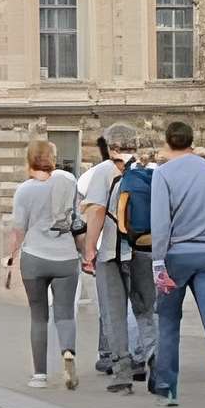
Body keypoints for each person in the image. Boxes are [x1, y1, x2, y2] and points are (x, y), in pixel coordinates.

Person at [148, 119, 205, 408]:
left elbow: (160, 223)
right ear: (191, 141)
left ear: (167, 142)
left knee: (169, 322)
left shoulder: (163, 174)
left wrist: (158, 264)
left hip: (176, 255)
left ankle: (167, 388)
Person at [4, 138, 84, 389]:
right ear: (53, 158)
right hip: (66, 257)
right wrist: (85, 253)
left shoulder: (24, 190)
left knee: (39, 317)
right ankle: (68, 352)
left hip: (35, 258)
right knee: (65, 314)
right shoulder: (68, 183)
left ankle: (39, 375)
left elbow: (19, 230)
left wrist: (10, 257)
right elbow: (77, 224)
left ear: (29, 159)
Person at [78, 131, 146, 387]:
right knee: (144, 308)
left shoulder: (100, 172)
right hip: (143, 248)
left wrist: (89, 249)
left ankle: (118, 366)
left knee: (112, 310)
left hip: (111, 250)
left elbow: (95, 211)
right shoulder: (148, 167)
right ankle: (150, 358)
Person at [101, 137, 162, 396]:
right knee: (146, 309)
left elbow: (114, 212)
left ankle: (122, 371)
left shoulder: (108, 174)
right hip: (150, 248)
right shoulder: (156, 175)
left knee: (118, 310)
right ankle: (154, 356)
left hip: (123, 248)